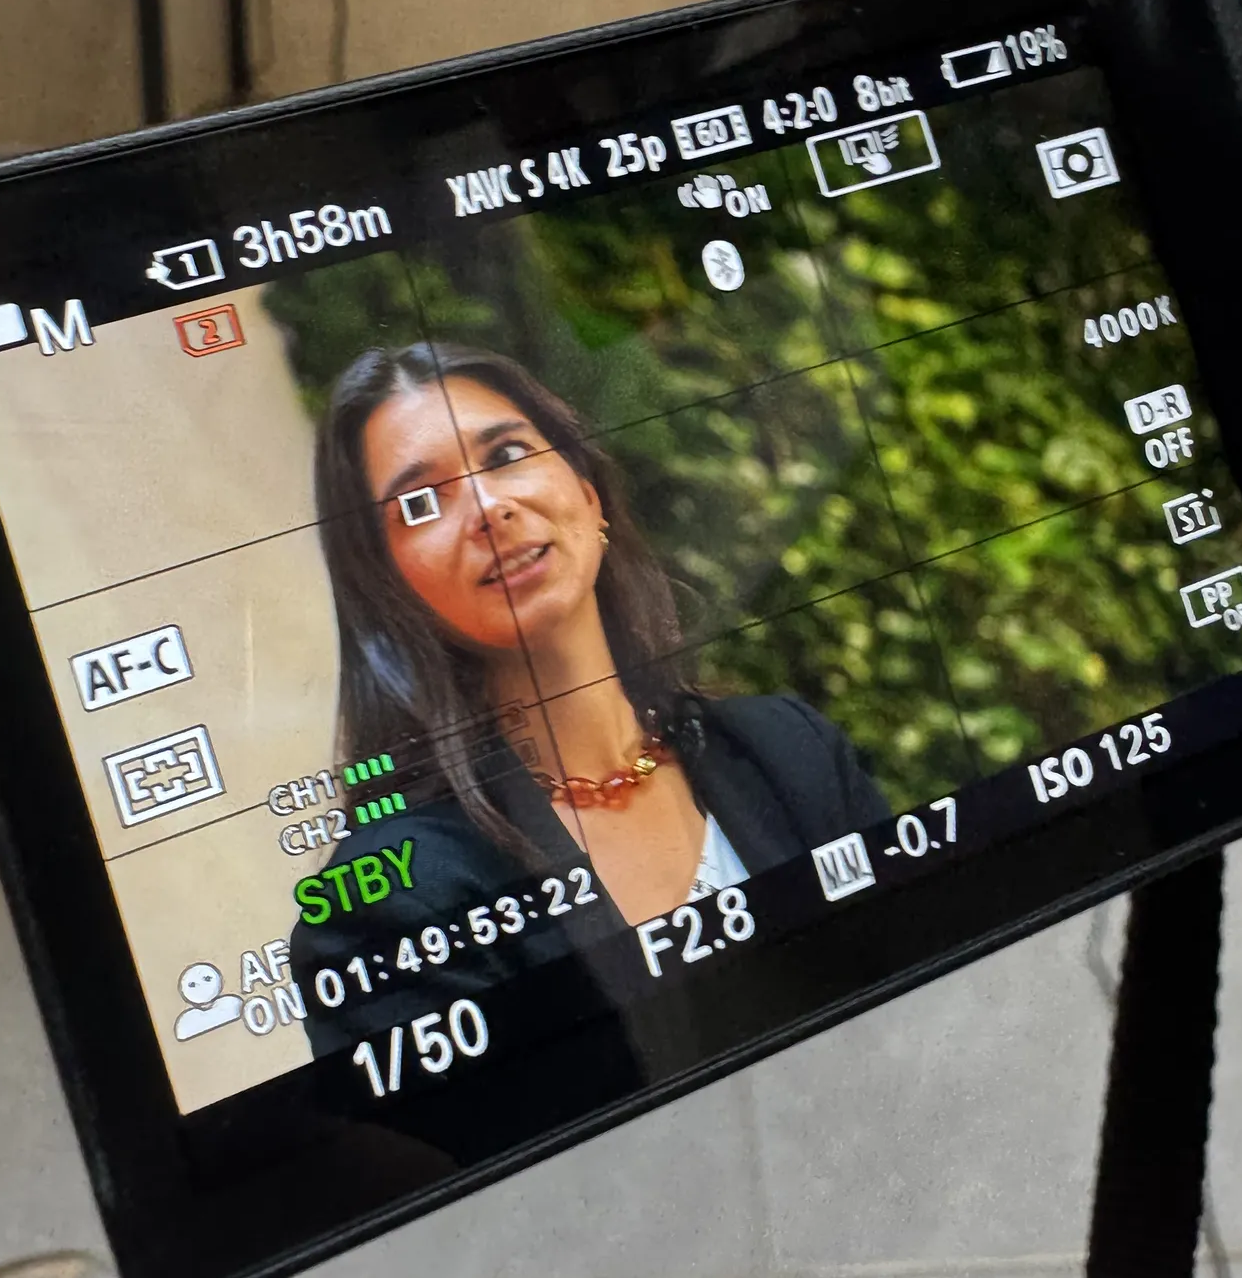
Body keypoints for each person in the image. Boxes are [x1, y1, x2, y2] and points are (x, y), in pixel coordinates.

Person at [290, 341, 888, 1057]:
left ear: (588, 493)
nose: (487, 508)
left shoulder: (791, 751)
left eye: (506, 455)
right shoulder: (388, 908)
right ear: (386, 586)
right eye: (421, 502)